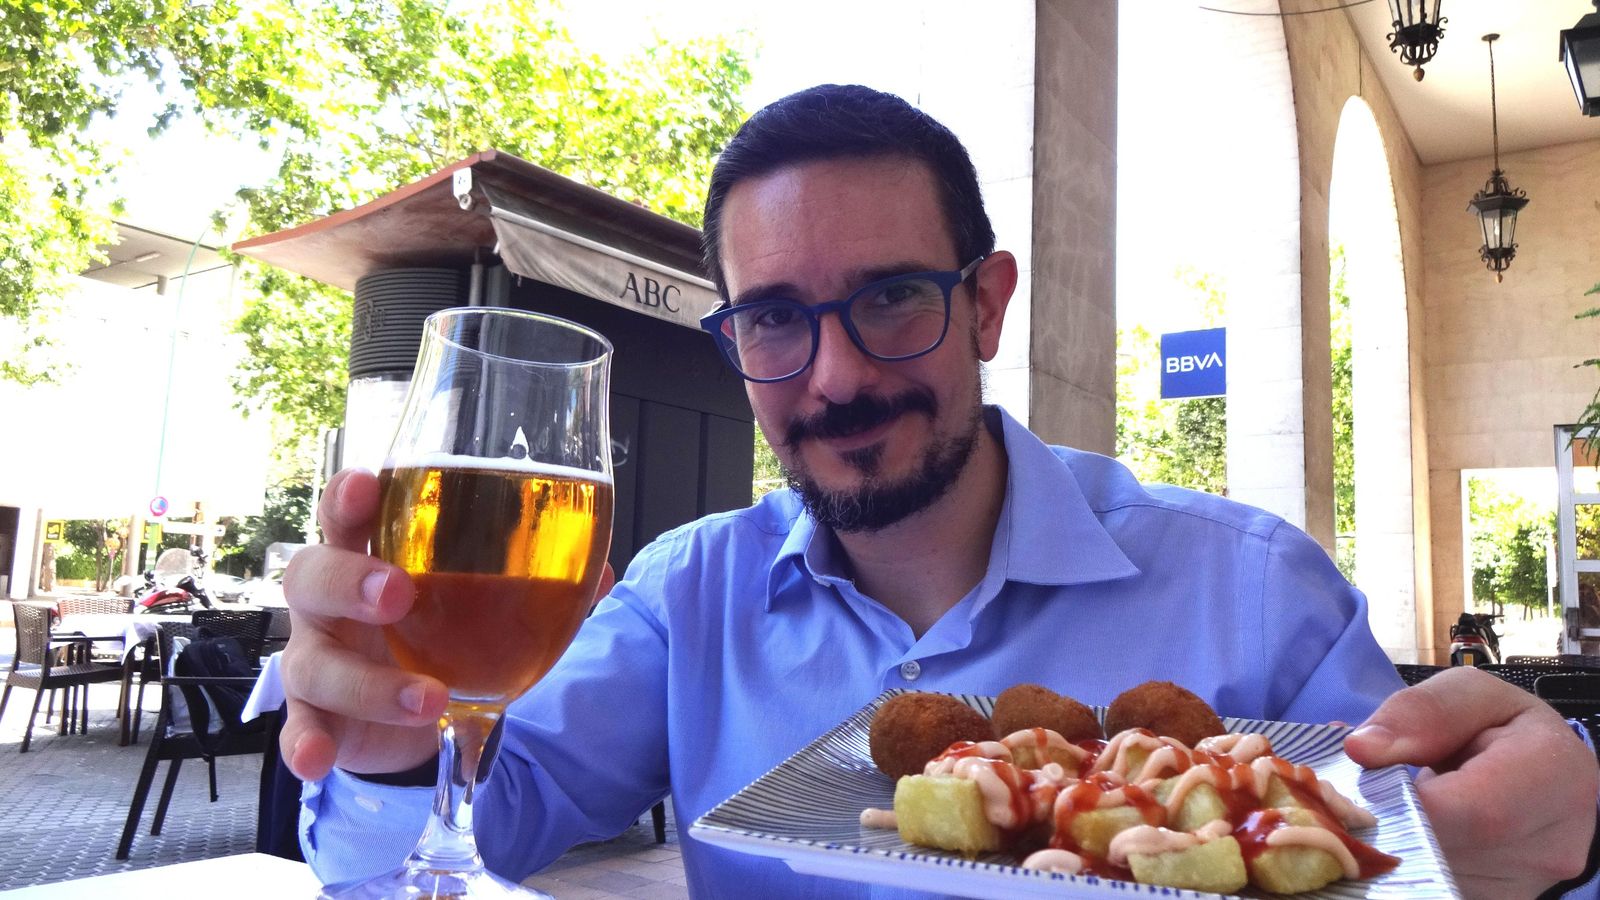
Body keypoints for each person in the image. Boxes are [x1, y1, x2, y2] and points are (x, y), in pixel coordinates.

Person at [280, 84, 1599, 899]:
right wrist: (397, 745)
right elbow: (447, 850)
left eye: (893, 299)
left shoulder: (1256, 595)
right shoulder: (689, 595)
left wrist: (1575, 828)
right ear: (733, 344)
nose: (839, 375)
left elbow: (1453, 847)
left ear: (986, 303)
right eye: (777, 321)